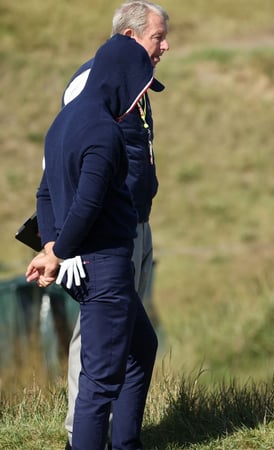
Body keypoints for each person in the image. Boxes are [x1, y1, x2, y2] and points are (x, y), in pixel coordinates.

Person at [26, 33, 159, 450]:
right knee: (100, 382)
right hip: (105, 264)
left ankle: (126, 443)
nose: (137, 97)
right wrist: (58, 253)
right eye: (137, 85)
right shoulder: (103, 129)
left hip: (87, 263)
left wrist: (51, 245)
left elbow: (44, 193)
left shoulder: (63, 121)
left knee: (142, 345)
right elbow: (88, 201)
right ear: (119, 79)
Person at [60, 2, 169, 448]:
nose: (165, 46)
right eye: (158, 37)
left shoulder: (137, 85)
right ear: (128, 37)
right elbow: (64, 162)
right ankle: (81, 435)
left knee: (130, 339)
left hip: (135, 228)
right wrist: (63, 244)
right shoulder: (90, 84)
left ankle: (118, 437)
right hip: (103, 238)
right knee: (98, 337)